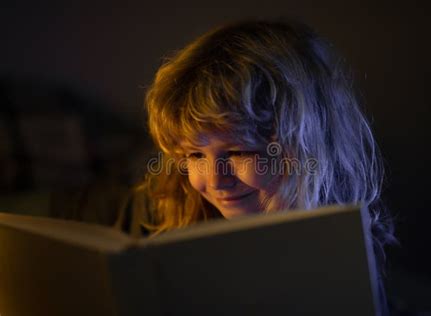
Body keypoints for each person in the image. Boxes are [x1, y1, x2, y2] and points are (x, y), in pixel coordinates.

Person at [143, 18, 396, 313]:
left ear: (307, 152)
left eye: (240, 153)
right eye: (195, 156)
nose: (214, 182)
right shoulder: (180, 220)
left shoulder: (342, 266)